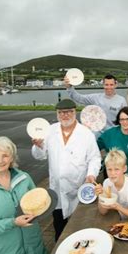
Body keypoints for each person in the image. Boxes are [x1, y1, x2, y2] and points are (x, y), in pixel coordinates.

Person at [31, 99, 101, 241]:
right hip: (57, 190)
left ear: (75, 112)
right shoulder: (50, 131)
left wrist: (91, 175)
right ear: (57, 114)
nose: (65, 115)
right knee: (59, 228)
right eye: (61, 113)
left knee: (79, 228)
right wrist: (38, 146)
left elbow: (94, 158)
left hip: (79, 189)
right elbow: (40, 156)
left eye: (69, 112)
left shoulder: (86, 133)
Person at [95, 149, 128, 220]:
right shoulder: (107, 182)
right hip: (119, 215)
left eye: (116, 169)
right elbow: (103, 212)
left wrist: (118, 207)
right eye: (109, 169)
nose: (112, 173)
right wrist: (101, 195)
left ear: (124, 169)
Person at [97, 107, 128, 176]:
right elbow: (95, 148)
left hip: (127, 174)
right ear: (119, 121)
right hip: (111, 173)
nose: (125, 122)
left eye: (127, 119)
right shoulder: (110, 133)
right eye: (122, 119)